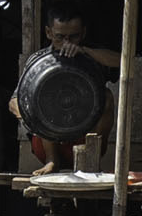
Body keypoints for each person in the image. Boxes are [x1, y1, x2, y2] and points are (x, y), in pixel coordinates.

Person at [10, 11, 120, 170]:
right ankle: (52, 160)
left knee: (107, 96)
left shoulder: (92, 57)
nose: (67, 42)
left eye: (73, 37)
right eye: (60, 37)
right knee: (40, 100)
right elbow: (14, 102)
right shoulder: (38, 60)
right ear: (49, 33)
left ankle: (91, 161)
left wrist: (85, 51)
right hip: (47, 142)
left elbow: (124, 59)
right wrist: (30, 117)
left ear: (83, 33)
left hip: (84, 139)